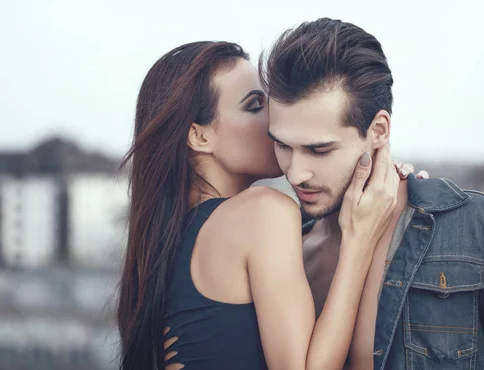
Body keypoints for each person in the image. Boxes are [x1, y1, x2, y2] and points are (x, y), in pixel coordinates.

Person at [259, 17, 484, 369]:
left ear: (378, 130)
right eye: (283, 145)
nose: (296, 173)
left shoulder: (482, 233)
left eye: (319, 150)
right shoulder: (280, 252)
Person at [116, 41, 423, 370]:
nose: (273, 119)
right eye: (254, 105)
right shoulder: (262, 211)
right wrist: (360, 238)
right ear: (199, 136)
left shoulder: (168, 245)